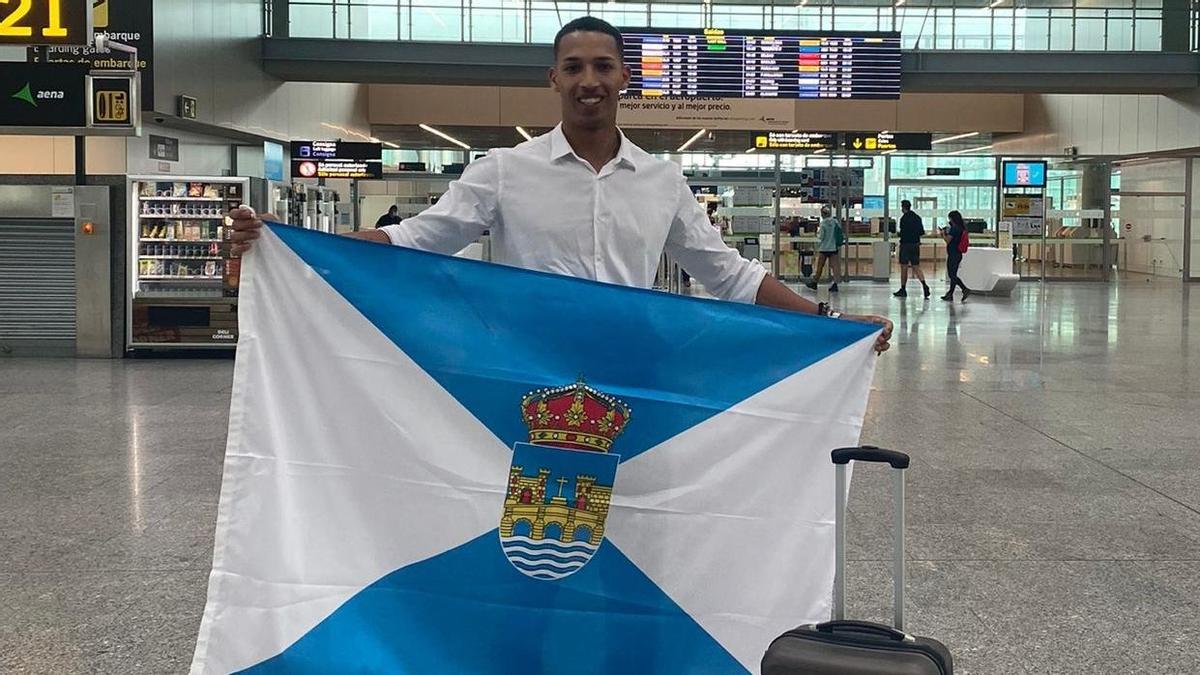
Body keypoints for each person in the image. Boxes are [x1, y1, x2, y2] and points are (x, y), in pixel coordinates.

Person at [229, 17, 891, 353]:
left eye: (603, 66)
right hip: (525, 371)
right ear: (552, 79)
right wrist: (289, 246)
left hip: (629, 372)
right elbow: (412, 240)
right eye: (572, 67)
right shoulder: (503, 171)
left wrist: (830, 322)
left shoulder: (662, 182)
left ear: (625, 78)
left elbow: (730, 276)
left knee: (623, 520)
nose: (588, 80)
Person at [893, 199, 930, 298]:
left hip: (905, 245)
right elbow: (921, 232)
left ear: (903, 207)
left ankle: (903, 289)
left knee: (904, 267)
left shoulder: (903, 219)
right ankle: (924, 285)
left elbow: (903, 233)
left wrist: (900, 234)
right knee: (916, 266)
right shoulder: (917, 217)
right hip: (915, 245)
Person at [805, 205, 843, 293]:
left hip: (824, 248)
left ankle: (814, 283)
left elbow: (821, 237)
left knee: (820, 266)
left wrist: (816, 236)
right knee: (835, 267)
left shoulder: (823, 223)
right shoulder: (835, 222)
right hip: (833, 248)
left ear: (822, 214)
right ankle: (835, 284)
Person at [940, 210, 971, 302]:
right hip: (957, 254)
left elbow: (948, 240)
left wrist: (943, 234)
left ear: (952, 218)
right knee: (953, 274)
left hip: (953, 254)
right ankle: (950, 294)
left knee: (952, 275)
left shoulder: (954, 228)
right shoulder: (961, 228)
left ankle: (964, 289)